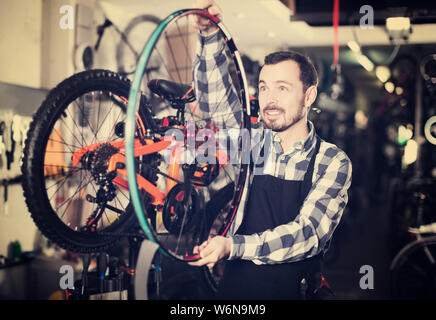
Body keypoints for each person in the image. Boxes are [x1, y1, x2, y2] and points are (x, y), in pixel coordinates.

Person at [189, 0, 352, 300]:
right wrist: (210, 35)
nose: (269, 99)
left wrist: (234, 246)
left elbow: (308, 234)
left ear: (309, 95)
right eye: (264, 87)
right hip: (235, 293)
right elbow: (217, 108)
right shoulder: (253, 144)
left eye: (282, 88)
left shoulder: (330, 161)